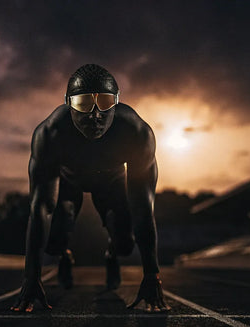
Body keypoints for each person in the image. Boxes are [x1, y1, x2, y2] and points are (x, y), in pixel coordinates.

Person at [10, 64, 170, 313]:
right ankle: (64, 255)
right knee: (53, 243)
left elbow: (143, 206)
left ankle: (111, 254)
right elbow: (40, 208)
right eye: (83, 104)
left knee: (125, 245)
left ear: (117, 103)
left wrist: (152, 274)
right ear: (67, 103)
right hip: (68, 182)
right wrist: (31, 277)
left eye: (105, 103)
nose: (95, 115)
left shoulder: (137, 133)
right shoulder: (50, 133)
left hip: (111, 182)